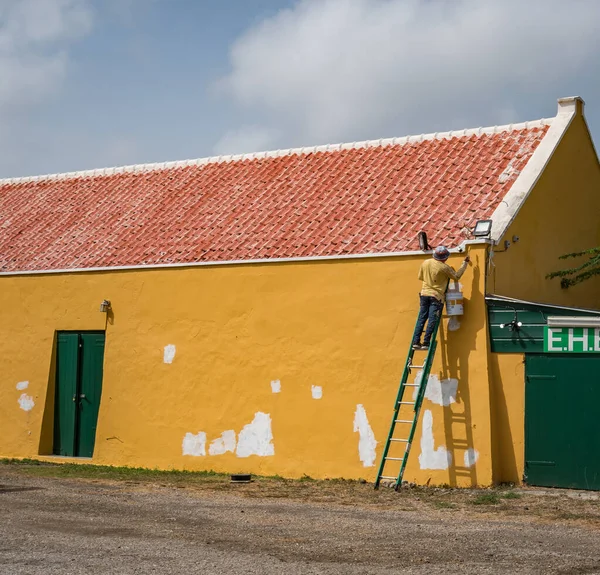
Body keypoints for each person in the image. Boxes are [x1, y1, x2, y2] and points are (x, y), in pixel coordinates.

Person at [412, 246, 470, 350]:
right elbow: (457, 276)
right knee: (432, 319)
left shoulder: (425, 262)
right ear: (445, 258)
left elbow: (420, 277)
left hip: (424, 294)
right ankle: (426, 342)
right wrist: (464, 264)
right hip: (436, 296)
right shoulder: (444, 268)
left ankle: (416, 342)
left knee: (422, 318)